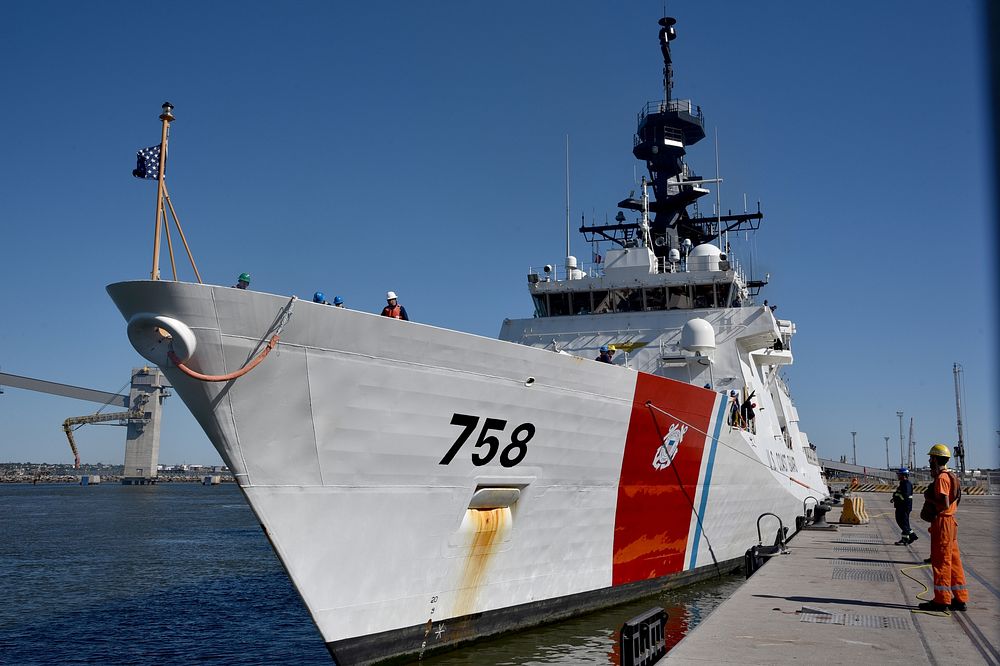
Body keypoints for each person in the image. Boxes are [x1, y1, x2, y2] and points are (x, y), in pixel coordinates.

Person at [918, 443, 968, 612]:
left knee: (941, 561)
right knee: (954, 561)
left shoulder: (941, 479)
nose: (929, 460)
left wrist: (928, 498)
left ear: (936, 459)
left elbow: (944, 503)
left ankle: (942, 600)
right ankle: (960, 599)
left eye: (931, 457)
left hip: (943, 522)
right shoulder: (951, 476)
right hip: (951, 522)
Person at [891, 467, 917, 545]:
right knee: (903, 523)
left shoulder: (906, 484)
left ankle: (912, 536)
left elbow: (905, 496)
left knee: (903, 523)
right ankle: (905, 538)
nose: (898, 476)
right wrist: (894, 498)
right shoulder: (902, 483)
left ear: (904, 475)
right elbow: (899, 494)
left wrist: (897, 498)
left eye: (899, 474)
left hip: (904, 507)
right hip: (900, 506)